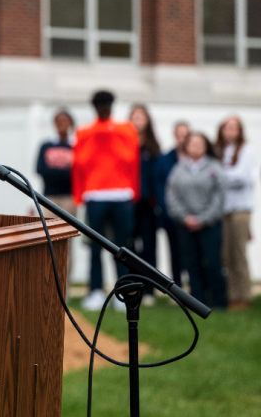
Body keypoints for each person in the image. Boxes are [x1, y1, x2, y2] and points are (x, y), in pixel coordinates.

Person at [72, 90, 140, 312]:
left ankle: (124, 291)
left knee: (123, 246)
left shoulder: (125, 129)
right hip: (95, 195)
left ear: (112, 106)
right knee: (95, 247)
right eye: (100, 106)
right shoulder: (85, 132)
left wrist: (134, 192)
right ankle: (96, 292)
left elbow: (132, 160)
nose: (104, 109)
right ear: (95, 108)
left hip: (121, 194)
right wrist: (79, 195)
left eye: (107, 105)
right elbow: (79, 164)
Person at [166, 132, 228, 308]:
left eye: (200, 143)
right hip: (185, 225)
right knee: (191, 264)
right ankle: (197, 302)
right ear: (186, 146)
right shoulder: (179, 169)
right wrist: (185, 217)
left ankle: (219, 302)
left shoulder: (215, 168)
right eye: (192, 143)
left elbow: (220, 197)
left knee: (213, 263)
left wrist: (203, 219)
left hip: (210, 225)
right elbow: (172, 196)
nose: (196, 147)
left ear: (206, 146)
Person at [214, 116, 255, 311]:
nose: (230, 132)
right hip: (224, 209)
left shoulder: (247, 150)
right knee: (226, 254)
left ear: (239, 131)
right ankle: (232, 295)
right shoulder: (219, 151)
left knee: (239, 253)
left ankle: (244, 295)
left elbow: (243, 177)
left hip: (241, 209)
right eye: (227, 128)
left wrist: (220, 176)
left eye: (234, 128)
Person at [36, 109, 76, 293]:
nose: (61, 124)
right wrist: (64, 172)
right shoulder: (46, 145)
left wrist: (56, 172)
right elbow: (40, 169)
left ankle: (65, 287)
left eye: (65, 120)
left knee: (67, 243)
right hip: (49, 199)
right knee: (48, 241)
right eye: (58, 121)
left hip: (69, 199)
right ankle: (48, 285)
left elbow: (76, 173)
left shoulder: (75, 146)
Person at [129, 104, 161, 304]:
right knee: (130, 248)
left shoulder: (153, 146)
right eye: (134, 116)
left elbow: (157, 177)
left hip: (148, 205)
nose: (138, 120)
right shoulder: (124, 143)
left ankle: (149, 291)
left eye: (141, 116)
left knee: (149, 247)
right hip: (128, 204)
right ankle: (133, 289)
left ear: (147, 120)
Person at [154, 121, 190, 290]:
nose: (182, 138)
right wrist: (168, 209)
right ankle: (177, 288)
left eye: (185, 134)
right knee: (174, 253)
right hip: (172, 215)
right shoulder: (165, 159)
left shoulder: (197, 159)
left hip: (194, 215)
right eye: (179, 134)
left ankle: (196, 287)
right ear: (175, 135)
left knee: (192, 253)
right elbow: (160, 186)